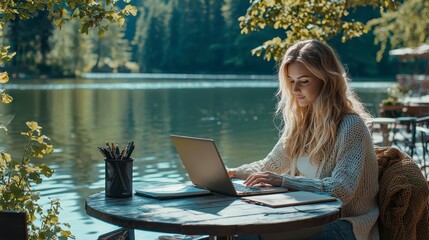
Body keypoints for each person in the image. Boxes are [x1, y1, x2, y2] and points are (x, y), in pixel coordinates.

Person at [228, 39, 379, 240]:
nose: (295, 89)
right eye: (291, 81)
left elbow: (341, 189)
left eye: (304, 81)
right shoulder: (300, 125)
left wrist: (284, 181)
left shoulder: (351, 126)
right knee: (244, 235)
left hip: (347, 224)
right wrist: (231, 172)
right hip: (306, 217)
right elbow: (269, 166)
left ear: (326, 80)